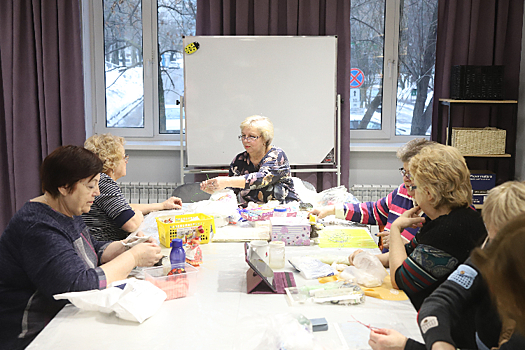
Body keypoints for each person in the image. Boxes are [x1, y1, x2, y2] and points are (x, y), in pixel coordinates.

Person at [0, 146, 163, 350]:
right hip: (34, 336)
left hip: (63, 318)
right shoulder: (39, 227)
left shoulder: (67, 211)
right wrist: (133, 258)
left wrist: (125, 246)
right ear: (64, 186)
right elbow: (78, 284)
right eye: (90, 186)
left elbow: (92, 249)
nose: (97, 193)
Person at [367, 184, 525, 350]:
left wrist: (407, 347)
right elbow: (439, 301)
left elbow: (401, 279)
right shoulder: (490, 253)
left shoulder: (454, 228)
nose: (492, 248)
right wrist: (439, 343)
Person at [350, 144, 487, 311]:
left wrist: (395, 230)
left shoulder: (447, 231)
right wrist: (363, 259)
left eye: (415, 187)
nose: (410, 192)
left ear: (428, 193)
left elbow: (399, 279)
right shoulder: (444, 218)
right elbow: (408, 254)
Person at [309, 138, 436, 252]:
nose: (406, 179)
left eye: (412, 174)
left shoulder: (435, 213)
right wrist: (332, 210)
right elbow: (374, 211)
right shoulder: (403, 192)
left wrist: (402, 245)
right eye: (404, 172)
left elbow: (427, 261)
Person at [83, 133, 182, 241]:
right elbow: (131, 223)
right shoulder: (104, 182)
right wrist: (137, 214)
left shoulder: (98, 180)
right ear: (112, 162)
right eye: (123, 157)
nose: (126, 161)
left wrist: (162, 205)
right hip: (106, 246)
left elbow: (125, 207)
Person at [200, 115, 300, 206]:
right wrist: (217, 191)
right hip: (252, 214)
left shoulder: (277, 155)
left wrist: (226, 181)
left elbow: (262, 178)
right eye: (243, 136)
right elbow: (232, 191)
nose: (245, 140)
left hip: (284, 211)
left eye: (251, 136)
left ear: (265, 138)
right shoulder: (239, 160)